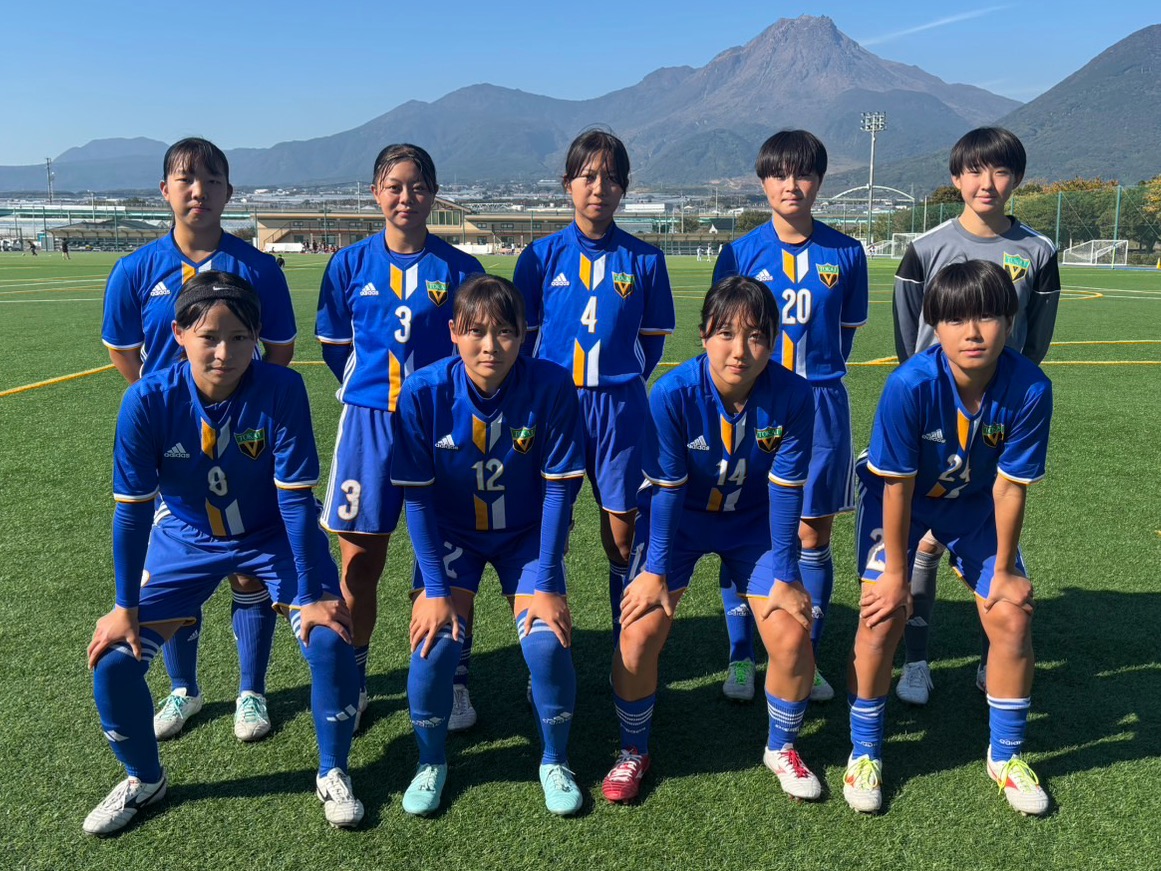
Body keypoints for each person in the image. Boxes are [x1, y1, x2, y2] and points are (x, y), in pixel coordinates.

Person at [84, 272, 362, 835]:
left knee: (330, 638)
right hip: (186, 536)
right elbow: (132, 512)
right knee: (112, 659)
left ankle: (333, 770)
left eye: (239, 338)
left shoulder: (281, 389)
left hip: (271, 534)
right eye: (209, 336)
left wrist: (310, 596)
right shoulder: (147, 400)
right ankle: (144, 779)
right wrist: (124, 606)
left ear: (257, 338)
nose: (224, 352)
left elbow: (295, 501)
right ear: (179, 334)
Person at [101, 137, 298, 743]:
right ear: (165, 190)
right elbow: (124, 352)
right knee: (177, 568)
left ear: (228, 193)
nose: (199, 192)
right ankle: (183, 689)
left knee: (248, 566)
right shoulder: (135, 270)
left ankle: (251, 691)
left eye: (212, 181)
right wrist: (165, 412)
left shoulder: (258, 268)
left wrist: (242, 404)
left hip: (244, 441)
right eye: (186, 180)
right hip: (173, 445)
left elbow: (280, 351)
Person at [844, 260, 1052, 816]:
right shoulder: (909, 385)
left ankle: (1006, 755)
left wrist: (1003, 572)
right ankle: (865, 751)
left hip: (976, 504)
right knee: (881, 614)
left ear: (1010, 320)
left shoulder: (1031, 387)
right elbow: (896, 486)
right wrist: (894, 575)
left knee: (1012, 614)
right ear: (935, 325)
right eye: (956, 319)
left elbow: (1009, 487)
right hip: (902, 503)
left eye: (987, 316)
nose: (973, 332)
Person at [601, 275, 817, 804]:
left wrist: (787, 575)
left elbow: (786, 492)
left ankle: (782, 747)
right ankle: (632, 750)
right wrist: (655, 573)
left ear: (774, 340)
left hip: (753, 526)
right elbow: (668, 492)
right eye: (726, 334)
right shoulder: (672, 393)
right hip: (681, 523)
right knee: (637, 634)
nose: (740, 350)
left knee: (792, 636)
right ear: (703, 336)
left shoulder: (794, 395)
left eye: (756, 336)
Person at [392, 275, 586, 816]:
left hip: (525, 535)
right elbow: (417, 500)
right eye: (475, 331)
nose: (490, 346)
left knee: (546, 644)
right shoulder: (424, 391)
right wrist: (434, 590)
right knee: (434, 644)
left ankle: (555, 759)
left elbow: (559, 491)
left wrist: (548, 582)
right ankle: (431, 761)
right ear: (454, 332)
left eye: (505, 331)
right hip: (453, 535)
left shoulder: (551, 385)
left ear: (524, 334)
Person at [315, 143, 483, 732]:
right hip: (369, 426)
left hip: (441, 426)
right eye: (394, 186)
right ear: (375, 193)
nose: (405, 197)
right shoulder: (348, 265)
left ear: (433, 194)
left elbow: (476, 348)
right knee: (360, 563)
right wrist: (374, 393)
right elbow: (335, 346)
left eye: (417, 186)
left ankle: (452, 678)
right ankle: (357, 677)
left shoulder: (460, 268)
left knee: (448, 560)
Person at [892, 127, 1060, 706]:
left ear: (1018, 179)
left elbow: (1034, 344)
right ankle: (917, 662)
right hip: (933, 419)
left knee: (996, 531)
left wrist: (1003, 399)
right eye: (974, 170)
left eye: (1001, 170)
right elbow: (908, 342)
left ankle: (994, 658)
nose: (987, 183)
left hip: (999, 420)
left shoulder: (1038, 252)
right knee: (923, 544)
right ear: (955, 177)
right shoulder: (926, 248)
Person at [713, 130, 868, 704]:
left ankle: (807, 656)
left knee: (812, 532)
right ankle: (740, 656)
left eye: (803, 174)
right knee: (743, 525)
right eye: (779, 174)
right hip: (752, 403)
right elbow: (723, 334)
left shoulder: (846, 253)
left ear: (820, 181)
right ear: (763, 182)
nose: (791, 185)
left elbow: (844, 335)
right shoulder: (740, 254)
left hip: (821, 404)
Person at [513, 129, 675, 662]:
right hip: (555, 410)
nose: (598, 187)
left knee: (622, 535)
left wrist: (619, 381)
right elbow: (523, 339)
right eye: (587, 176)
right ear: (568, 184)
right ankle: (549, 645)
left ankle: (623, 644)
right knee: (548, 531)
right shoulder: (540, 257)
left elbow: (652, 341)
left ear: (624, 187)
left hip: (619, 410)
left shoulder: (645, 260)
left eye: (610, 178)